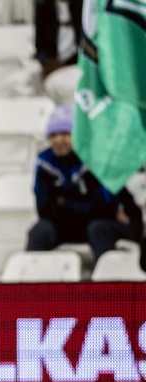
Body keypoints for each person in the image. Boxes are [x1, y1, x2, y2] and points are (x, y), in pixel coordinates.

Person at [27, 105, 143, 265]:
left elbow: (104, 207)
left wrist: (63, 202)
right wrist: (77, 206)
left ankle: (109, 283)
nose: (58, 140)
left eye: (64, 133)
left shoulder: (95, 158)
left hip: (107, 223)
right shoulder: (45, 163)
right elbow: (44, 209)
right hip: (69, 224)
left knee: (97, 228)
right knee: (39, 231)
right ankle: (30, 285)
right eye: (53, 135)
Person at [33, 0, 83, 105]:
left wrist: (62, 65)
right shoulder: (43, 6)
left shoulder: (82, 6)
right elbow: (40, 47)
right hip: (53, 63)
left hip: (76, 63)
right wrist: (45, 62)